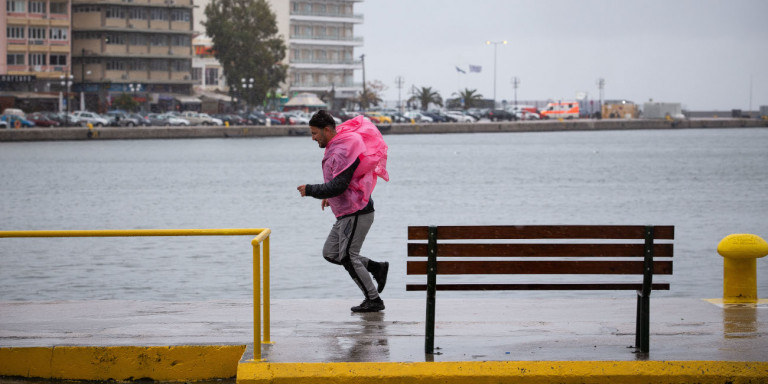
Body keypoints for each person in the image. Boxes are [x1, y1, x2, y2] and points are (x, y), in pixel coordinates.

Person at [297, 110, 390, 313]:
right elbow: (341, 183)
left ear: (327, 130)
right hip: (346, 212)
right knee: (331, 253)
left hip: (358, 211)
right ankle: (376, 267)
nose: (313, 138)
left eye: (315, 133)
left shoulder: (343, 149)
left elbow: (339, 185)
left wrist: (312, 190)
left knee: (348, 256)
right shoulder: (338, 143)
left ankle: (373, 299)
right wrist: (329, 198)